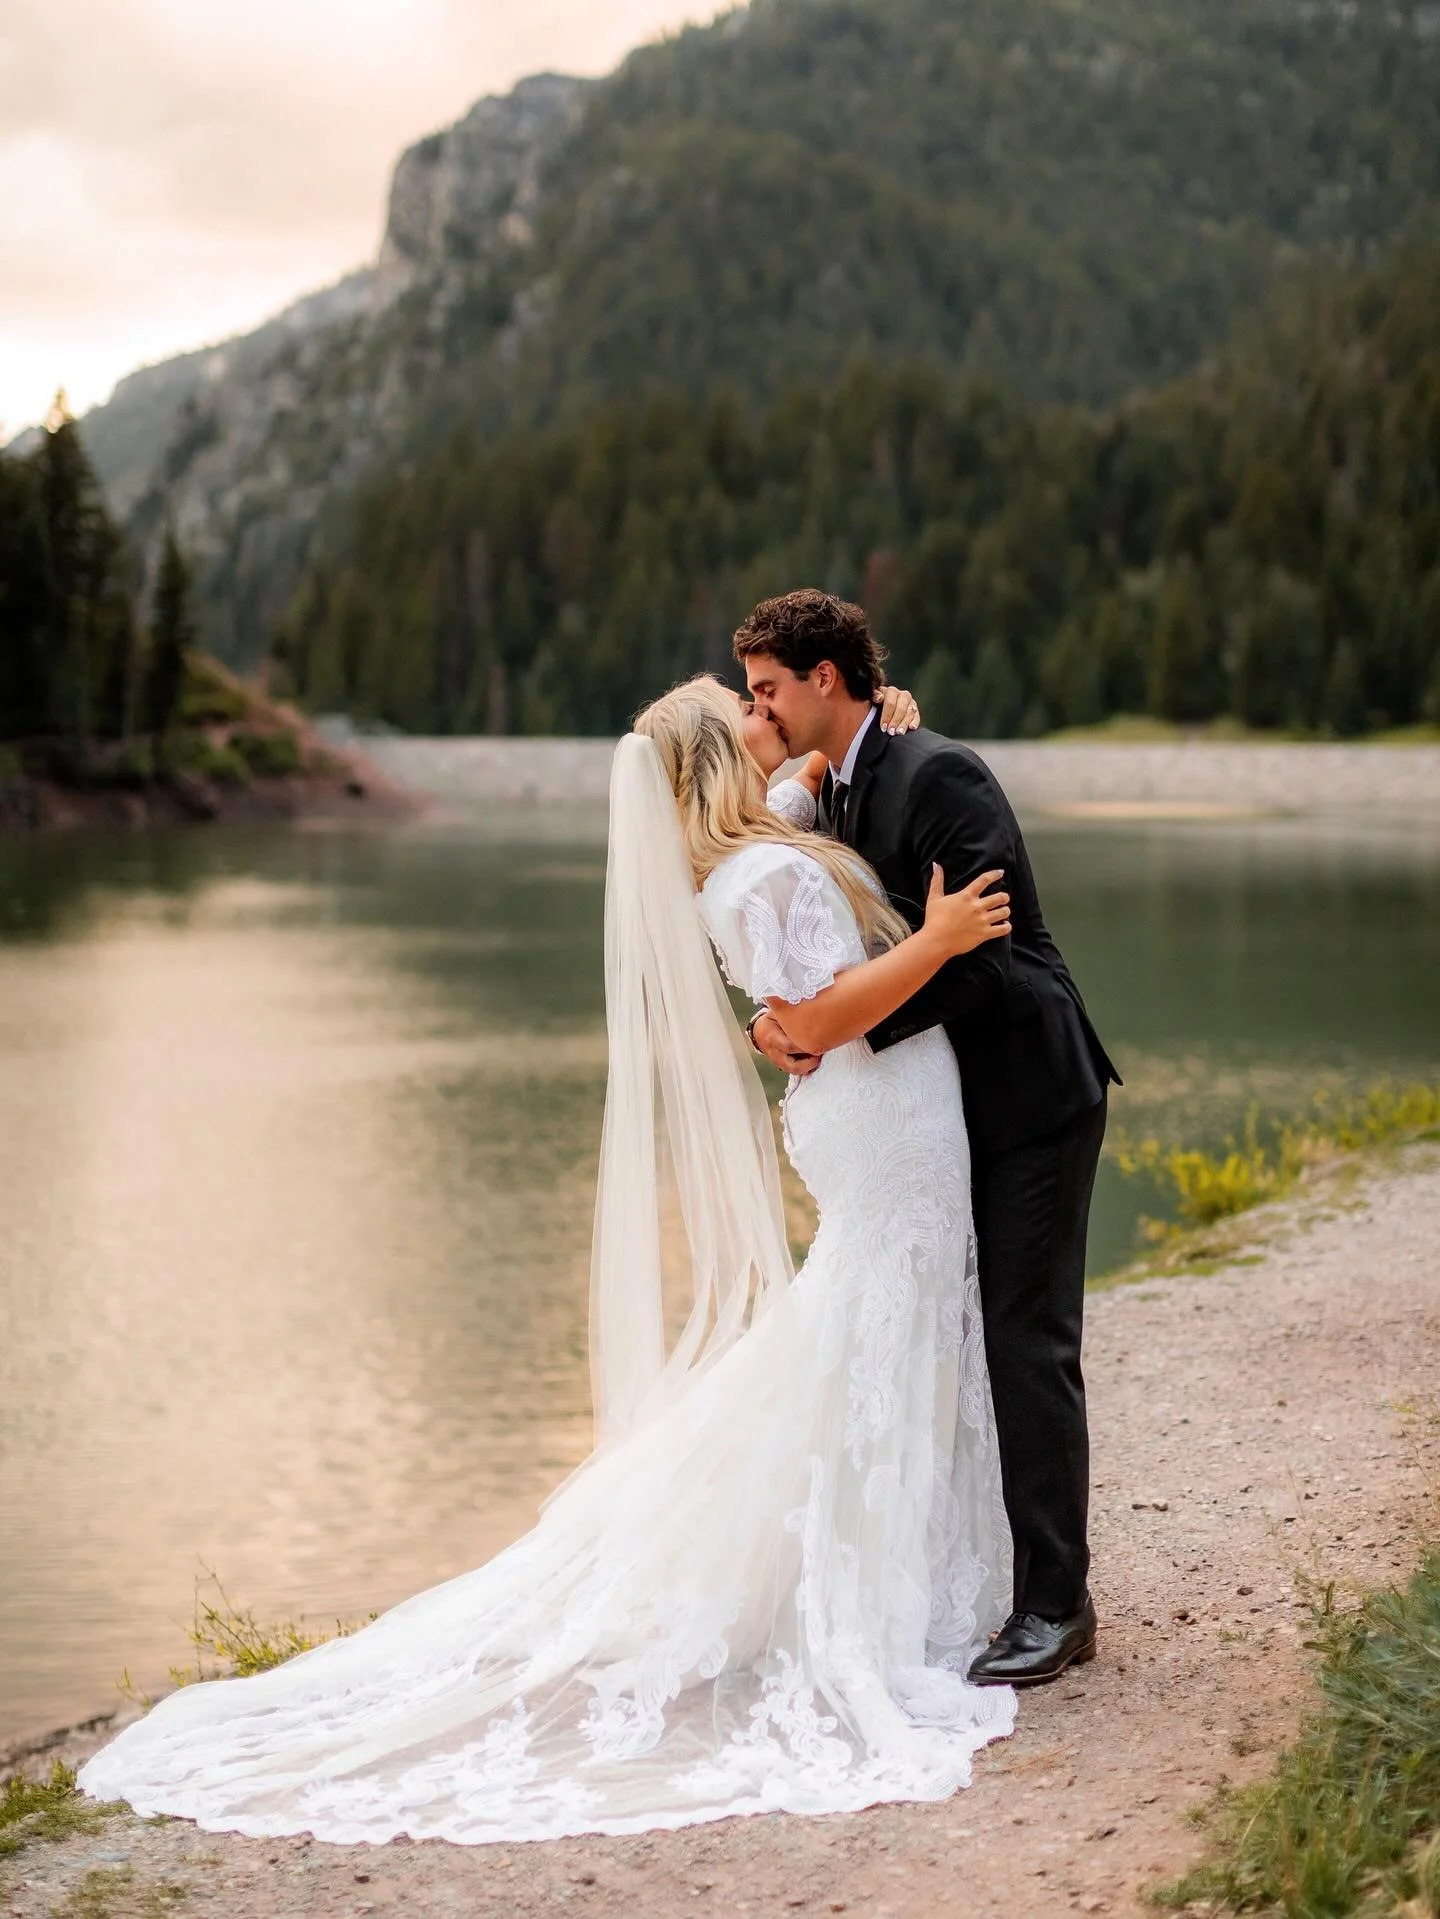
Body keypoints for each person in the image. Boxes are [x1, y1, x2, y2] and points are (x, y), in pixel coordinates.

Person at [78, 676, 1016, 1845]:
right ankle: (839, 1592)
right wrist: (931, 940)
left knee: (875, 1327)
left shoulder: (754, 842)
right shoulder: (757, 875)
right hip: (877, 1122)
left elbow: (811, 785)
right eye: (746, 711)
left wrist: (883, 715)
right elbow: (816, 1021)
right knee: (865, 1328)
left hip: (886, 1119)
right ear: (721, 758)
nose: (764, 719)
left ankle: (873, 1566)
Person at [738, 589, 1120, 1687]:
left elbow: (988, 954)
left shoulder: (937, 774)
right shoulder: (837, 784)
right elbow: (824, 948)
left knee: (1024, 1340)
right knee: (968, 1337)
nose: (761, 704)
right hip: (951, 1109)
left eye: (771, 686)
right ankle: (990, 1574)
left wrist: (841, 1028)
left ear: (825, 677)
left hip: (1031, 1095)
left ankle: (1058, 1604)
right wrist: (794, 1020)